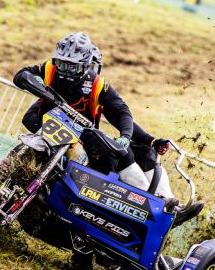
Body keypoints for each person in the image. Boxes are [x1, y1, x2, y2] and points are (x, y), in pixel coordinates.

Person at [13, 33, 203, 226]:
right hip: (52, 138)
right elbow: (22, 81)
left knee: (139, 152)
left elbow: (121, 114)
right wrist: (38, 93)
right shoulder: (49, 72)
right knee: (120, 152)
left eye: (74, 66)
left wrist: (143, 139)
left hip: (85, 145)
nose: (67, 71)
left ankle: (162, 206)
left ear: (87, 66)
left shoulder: (97, 86)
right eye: (63, 64)